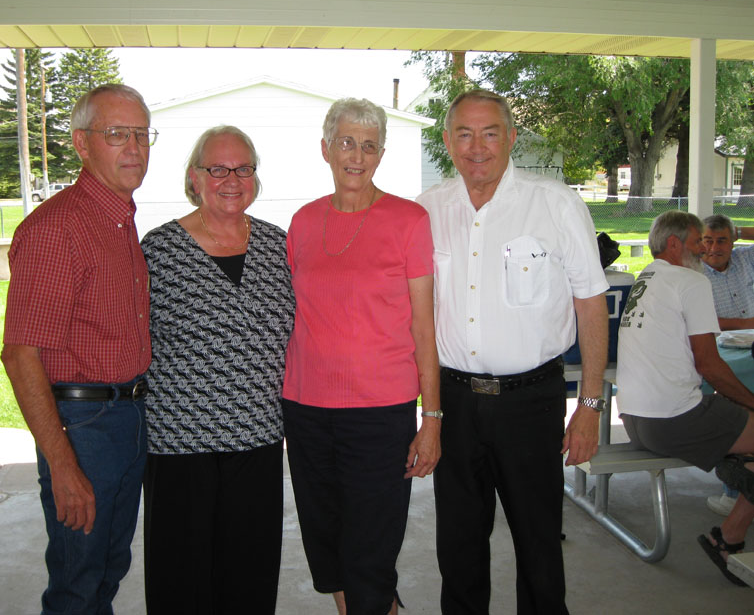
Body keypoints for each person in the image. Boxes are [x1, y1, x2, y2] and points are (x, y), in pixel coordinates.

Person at [416, 89, 609, 614]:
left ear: (512, 138)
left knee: (540, 546)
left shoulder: (554, 202)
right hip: (452, 403)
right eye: (464, 133)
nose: (477, 147)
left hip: (532, 401)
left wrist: (589, 408)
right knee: (458, 550)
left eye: (490, 133)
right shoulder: (426, 210)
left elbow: (591, 305)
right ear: (447, 140)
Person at [282, 97, 441, 615]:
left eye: (368, 145)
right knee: (326, 547)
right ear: (325, 148)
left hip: (379, 412)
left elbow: (423, 325)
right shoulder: (303, 222)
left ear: (381, 154)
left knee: (371, 549)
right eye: (347, 142)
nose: (357, 155)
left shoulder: (408, 220)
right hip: (305, 408)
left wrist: (432, 417)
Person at [1, 83, 156, 614]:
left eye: (140, 133)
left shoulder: (118, 218)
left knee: (108, 567)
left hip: (129, 416)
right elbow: (21, 355)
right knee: (77, 579)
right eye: (117, 134)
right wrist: (63, 466)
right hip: (85, 425)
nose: (133, 147)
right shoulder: (58, 228)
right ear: (82, 144)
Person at [140, 126, 296, 614]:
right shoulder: (159, 250)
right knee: (181, 579)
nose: (232, 179)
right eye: (218, 169)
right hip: (180, 444)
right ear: (195, 177)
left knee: (251, 574)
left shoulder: (278, 245)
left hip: (259, 437)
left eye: (243, 168)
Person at [616, 209, 754, 586]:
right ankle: (728, 536)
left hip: (635, 421)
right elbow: (709, 366)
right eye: (698, 244)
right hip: (674, 419)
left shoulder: (646, 278)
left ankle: (736, 488)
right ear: (675, 245)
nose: (705, 254)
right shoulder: (690, 282)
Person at [699, 214, 753, 514]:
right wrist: (750, 323)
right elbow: (706, 323)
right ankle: (734, 490)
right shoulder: (694, 273)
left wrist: (742, 231)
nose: (714, 248)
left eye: (722, 240)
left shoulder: (745, 258)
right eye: (708, 240)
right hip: (717, 349)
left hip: (749, 347)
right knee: (736, 404)